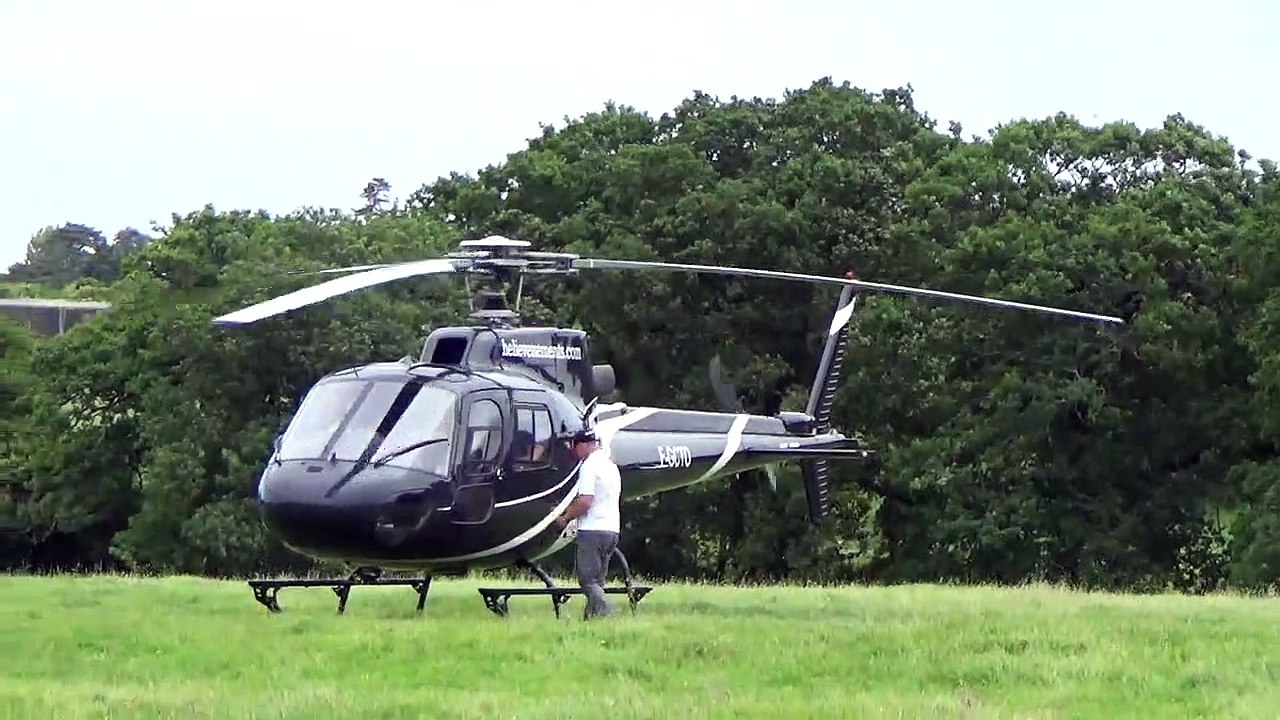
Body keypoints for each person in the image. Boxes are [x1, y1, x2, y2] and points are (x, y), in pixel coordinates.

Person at [554, 428, 622, 619]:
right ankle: (590, 621)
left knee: (587, 581)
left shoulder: (589, 466)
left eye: (574, 447)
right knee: (598, 582)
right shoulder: (611, 466)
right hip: (612, 529)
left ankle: (609, 614)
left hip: (592, 530)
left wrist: (566, 518)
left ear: (581, 445)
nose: (574, 452)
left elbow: (585, 501)